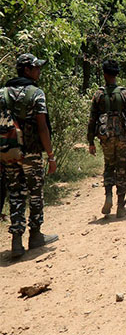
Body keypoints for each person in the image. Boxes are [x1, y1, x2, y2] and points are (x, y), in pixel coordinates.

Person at [0, 53, 58, 258]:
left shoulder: (2, 93)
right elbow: (42, 126)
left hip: (10, 152)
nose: (39, 71)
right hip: (32, 152)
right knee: (35, 193)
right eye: (36, 68)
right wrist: (50, 155)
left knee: (15, 193)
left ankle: (16, 241)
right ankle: (35, 235)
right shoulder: (36, 93)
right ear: (27, 70)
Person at [87, 60, 126, 218]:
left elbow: (92, 119)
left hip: (105, 136)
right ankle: (121, 206)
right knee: (122, 168)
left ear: (105, 74)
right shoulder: (124, 93)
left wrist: (90, 142)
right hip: (122, 136)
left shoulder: (98, 94)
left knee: (109, 166)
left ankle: (108, 195)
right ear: (116, 74)